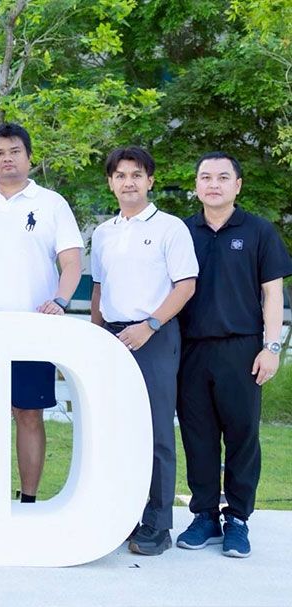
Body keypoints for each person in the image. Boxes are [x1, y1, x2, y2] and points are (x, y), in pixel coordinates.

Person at [0, 123, 83, 504]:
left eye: (14, 152)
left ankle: (28, 499)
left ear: (29, 156)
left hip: (33, 328)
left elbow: (72, 262)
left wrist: (60, 301)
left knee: (28, 413)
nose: (6, 159)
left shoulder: (52, 204)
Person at [174, 152, 292, 558]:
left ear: (237, 185)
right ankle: (205, 515)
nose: (214, 184)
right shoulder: (181, 232)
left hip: (242, 349)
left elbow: (272, 294)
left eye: (223, 177)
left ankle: (238, 519)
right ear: (196, 186)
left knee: (242, 437)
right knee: (198, 437)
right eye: (205, 177)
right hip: (190, 349)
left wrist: (271, 347)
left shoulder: (258, 231)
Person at [90, 146, 198, 556]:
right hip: (113, 336)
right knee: (116, 430)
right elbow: (98, 289)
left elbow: (185, 286)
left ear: (150, 180)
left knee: (155, 432)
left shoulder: (170, 228)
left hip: (154, 334)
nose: (128, 182)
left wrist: (149, 325)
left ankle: (158, 523)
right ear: (110, 183)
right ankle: (124, 516)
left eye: (136, 174)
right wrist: (97, 336)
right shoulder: (104, 232)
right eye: (120, 175)